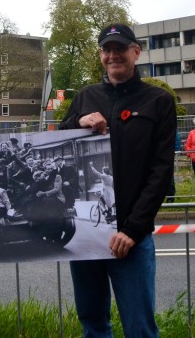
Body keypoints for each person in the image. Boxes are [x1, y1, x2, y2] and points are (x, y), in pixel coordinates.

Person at [59, 23, 176, 337]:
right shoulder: (86, 96)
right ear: (100, 55)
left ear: (136, 52)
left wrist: (134, 229)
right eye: (106, 49)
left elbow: (161, 171)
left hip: (131, 238)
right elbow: (58, 138)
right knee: (93, 324)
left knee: (139, 328)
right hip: (87, 239)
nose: (113, 55)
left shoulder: (158, 101)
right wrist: (77, 121)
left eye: (120, 48)